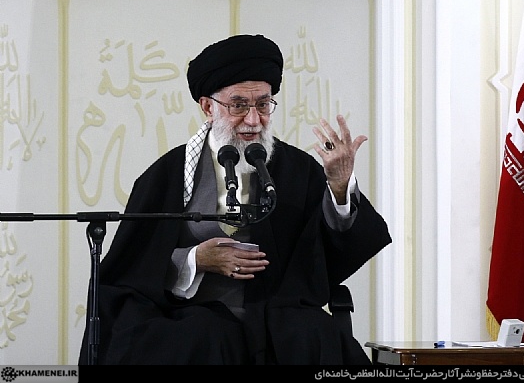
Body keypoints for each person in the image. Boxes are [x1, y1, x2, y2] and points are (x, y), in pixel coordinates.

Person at [78, 34, 392, 365]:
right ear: (208, 107)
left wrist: (340, 187)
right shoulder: (168, 175)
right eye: (239, 105)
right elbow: (130, 268)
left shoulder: (297, 169)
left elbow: (329, 255)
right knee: (198, 339)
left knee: (314, 339)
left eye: (263, 105)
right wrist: (196, 259)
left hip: (279, 317)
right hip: (193, 315)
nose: (254, 120)